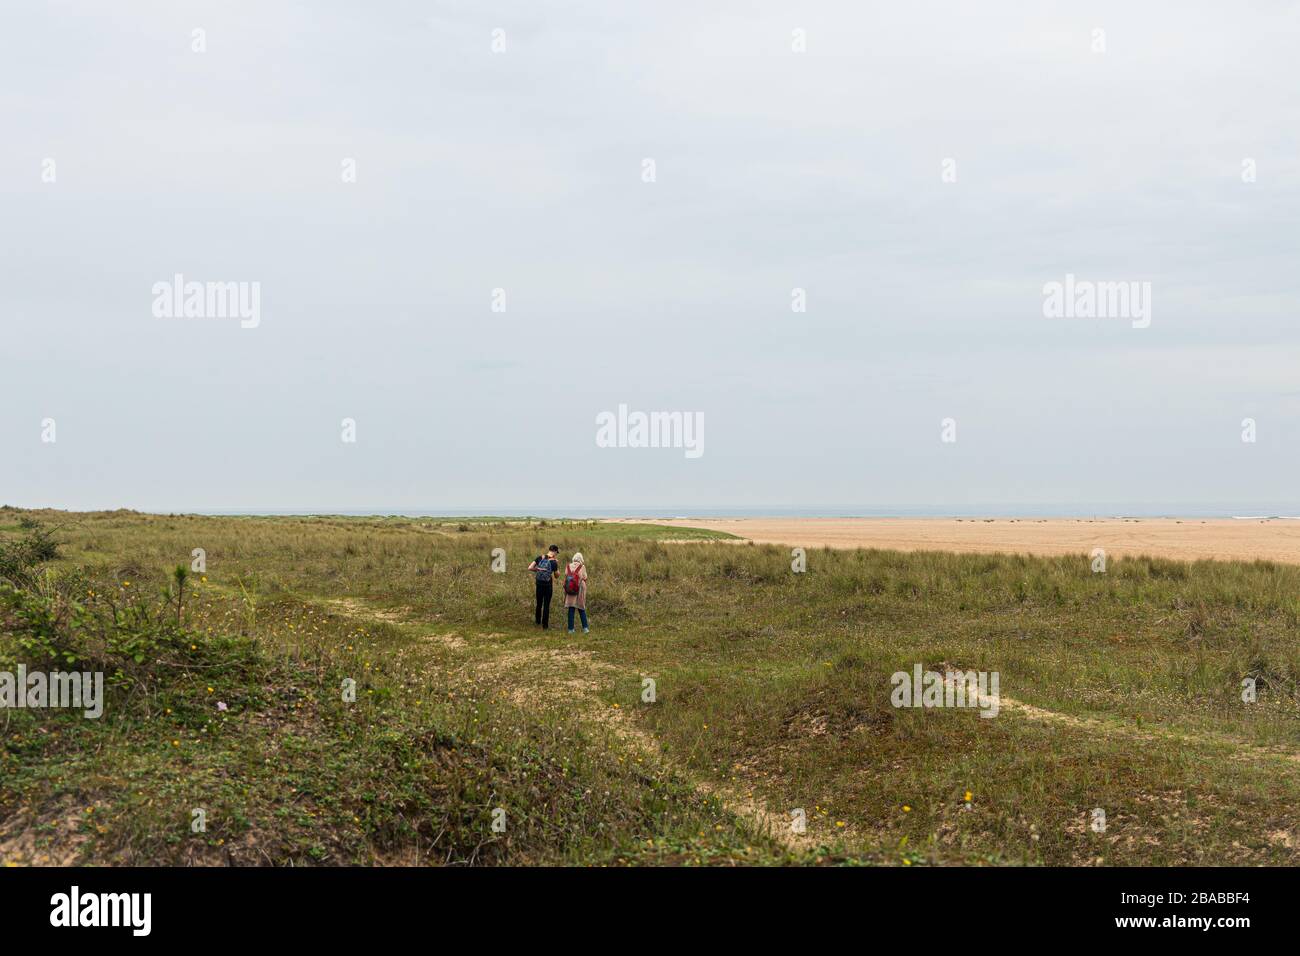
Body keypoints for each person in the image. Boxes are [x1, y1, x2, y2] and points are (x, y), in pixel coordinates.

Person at [528, 545, 560, 629]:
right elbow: (557, 576)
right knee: (546, 604)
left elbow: (530, 567)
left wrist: (538, 569)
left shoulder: (540, 558)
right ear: (555, 552)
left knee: (539, 603)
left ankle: (537, 621)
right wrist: (557, 565)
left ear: (549, 550)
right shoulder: (553, 562)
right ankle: (545, 625)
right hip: (548, 585)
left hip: (539, 583)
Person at [562, 552, 589, 634]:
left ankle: (571, 629)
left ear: (574, 558)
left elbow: (566, 576)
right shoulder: (582, 567)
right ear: (581, 559)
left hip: (570, 588)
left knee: (571, 608)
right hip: (580, 588)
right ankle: (585, 629)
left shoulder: (568, 566)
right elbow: (585, 577)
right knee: (581, 608)